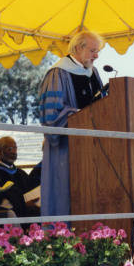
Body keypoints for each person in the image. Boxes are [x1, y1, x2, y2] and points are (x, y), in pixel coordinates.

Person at [39, 30, 104, 216]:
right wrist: (78, 115)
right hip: (66, 148)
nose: (96, 56)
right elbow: (50, 116)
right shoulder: (58, 73)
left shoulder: (93, 74)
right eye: (93, 51)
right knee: (66, 194)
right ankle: (62, 239)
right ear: (78, 48)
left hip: (92, 148)